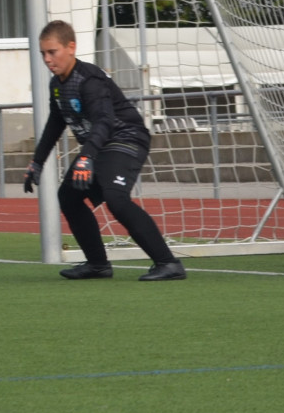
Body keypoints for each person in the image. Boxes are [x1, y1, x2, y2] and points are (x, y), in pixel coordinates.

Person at [23, 20, 185, 282]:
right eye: (43, 53)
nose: (47, 59)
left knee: (116, 198)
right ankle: (98, 265)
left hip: (125, 139)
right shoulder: (57, 85)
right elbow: (55, 124)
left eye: (52, 52)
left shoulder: (90, 80)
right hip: (100, 146)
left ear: (71, 47)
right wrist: (37, 162)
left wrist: (86, 157)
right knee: (69, 196)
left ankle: (168, 263)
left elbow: (104, 122)